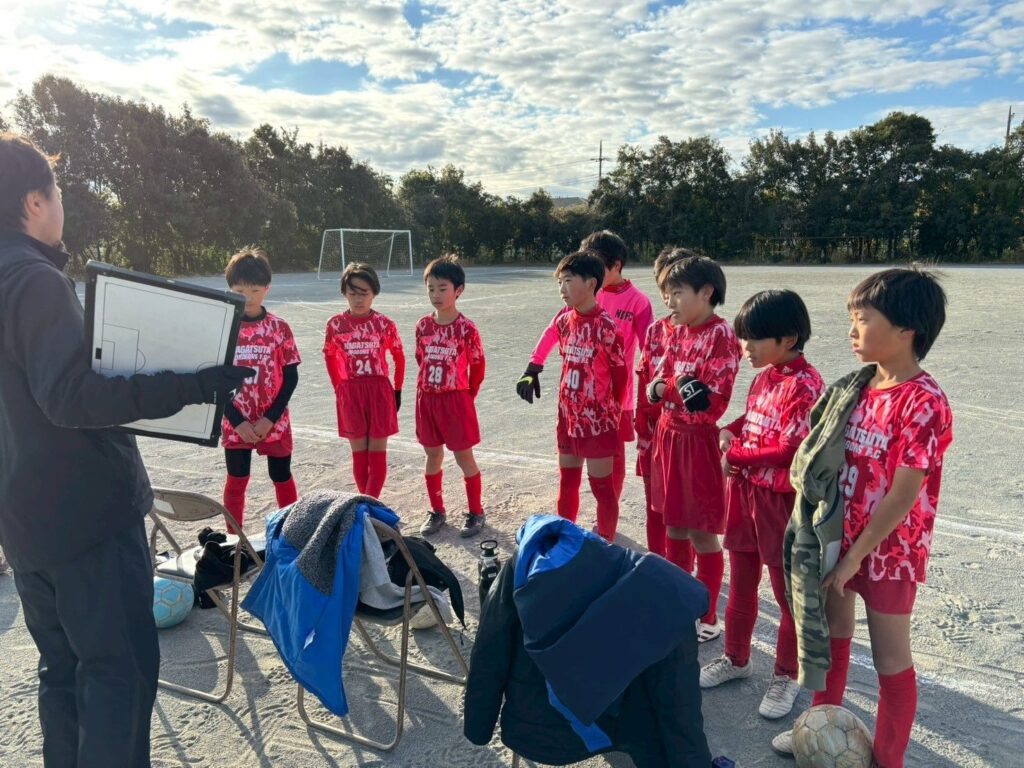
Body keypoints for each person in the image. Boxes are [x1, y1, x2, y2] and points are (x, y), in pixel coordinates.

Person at [0, 133, 252, 767]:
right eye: (58, 192)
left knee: (63, 672)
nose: (62, 205)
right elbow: (72, 397)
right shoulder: (33, 280)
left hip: (26, 522)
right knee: (117, 674)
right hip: (86, 519)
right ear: (34, 201)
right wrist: (191, 385)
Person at [774, 267, 953, 768]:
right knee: (831, 636)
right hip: (840, 538)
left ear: (906, 329)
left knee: (889, 659)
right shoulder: (858, 388)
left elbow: (902, 495)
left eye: (863, 319)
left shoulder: (923, 401)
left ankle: (889, 759)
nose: (852, 331)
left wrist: (855, 557)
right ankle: (819, 728)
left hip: (889, 549)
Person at [699, 290, 824, 720]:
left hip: (779, 502)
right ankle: (736, 658)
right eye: (743, 338)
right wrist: (728, 430)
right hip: (745, 494)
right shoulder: (765, 377)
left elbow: (791, 448)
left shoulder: (805, 385)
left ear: (788, 339)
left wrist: (735, 455)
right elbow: (750, 419)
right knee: (741, 581)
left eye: (753, 339)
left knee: (786, 594)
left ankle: (786, 674)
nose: (745, 347)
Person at [517, 230, 653, 520]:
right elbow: (552, 331)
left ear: (615, 265)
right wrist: (534, 366)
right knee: (570, 475)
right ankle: (571, 531)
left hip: (615, 401)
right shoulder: (580, 299)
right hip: (574, 406)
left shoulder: (637, 302)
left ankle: (607, 524)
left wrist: (649, 395)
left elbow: (649, 349)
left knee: (612, 464)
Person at [645, 253, 740, 643]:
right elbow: (656, 386)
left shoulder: (722, 335)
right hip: (668, 436)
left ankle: (708, 616)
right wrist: (676, 385)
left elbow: (709, 404)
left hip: (697, 444)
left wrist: (673, 387)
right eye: (667, 293)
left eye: (678, 292)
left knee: (702, 534)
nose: (670, 301)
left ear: (706, 292)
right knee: (674, 528)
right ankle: (679, 606)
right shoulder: (675, 330)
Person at [537, 250, 626, 540]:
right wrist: (532, 368)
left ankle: (606, 543)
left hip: (598, 421)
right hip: (567, 417)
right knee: (567, 483)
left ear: (590, 284)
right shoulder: (564, 321)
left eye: (568, 281)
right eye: (559, 283)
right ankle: (566, 540)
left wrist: (611, 411)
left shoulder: (607, 327)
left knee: (602, 489)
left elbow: (620, 376)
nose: (562, 289)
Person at [221, 247, 301, 526]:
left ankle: (291, 533)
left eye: (255, 290)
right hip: (236, 421)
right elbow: (215, 381)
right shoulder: (224, 327)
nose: (248, 297)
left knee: (281, 476)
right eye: (240, 290)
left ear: (267, 288)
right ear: (230, 289)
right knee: (236, 480)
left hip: (274, 421)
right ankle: (233, 539)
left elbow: (291, 377)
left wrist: (270, 418)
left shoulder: (279, 328)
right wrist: (236, 420)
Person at [415, 255, 487, 538]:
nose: (436, 294)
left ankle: (476, 511)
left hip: (456, 400)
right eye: (431, 288)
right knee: (432, 455)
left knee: (463, 457)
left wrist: (467, 395)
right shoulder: (422, 326)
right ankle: (436, 510)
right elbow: (420, 359)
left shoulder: (466, 328)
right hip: (427, 399)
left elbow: (478, 366)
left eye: (442, 288)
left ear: (458, 290)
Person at [323, 263, 405, 498]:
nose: (358, 299)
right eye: (353, 293)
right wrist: (338, 387)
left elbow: (399, 357)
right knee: (360, 456)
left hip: (379, 390)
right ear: (344, 293)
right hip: (350, 391)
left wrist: (397, 390)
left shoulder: (384, 324)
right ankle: (366, 506)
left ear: (374, 293)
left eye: (364, 293)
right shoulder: (335, 325)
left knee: (377, 456)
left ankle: (368, 505)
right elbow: (329, 356)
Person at [635, 246, 691, 560]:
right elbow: (644, 376)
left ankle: (684, 568)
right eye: (665, 287)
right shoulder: (656, 330)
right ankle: (656, 563)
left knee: (684, 510)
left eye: (678, 288)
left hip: (685, 436)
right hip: (652, 432)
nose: (670, 296)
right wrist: (640, 419)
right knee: (654, 505)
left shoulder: (706, 334)